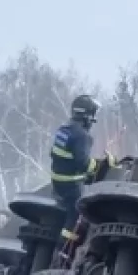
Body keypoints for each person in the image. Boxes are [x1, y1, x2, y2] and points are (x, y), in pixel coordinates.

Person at [49, 94, 116, 252]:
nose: (94, 119)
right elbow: (83, 163)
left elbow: (56, 154)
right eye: (93, 115)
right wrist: (101, 165)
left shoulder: (64, 130)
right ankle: (65, 249)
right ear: (87, 115)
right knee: (77, 214)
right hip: (71, 185)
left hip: (57, 182)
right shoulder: (83, 136)